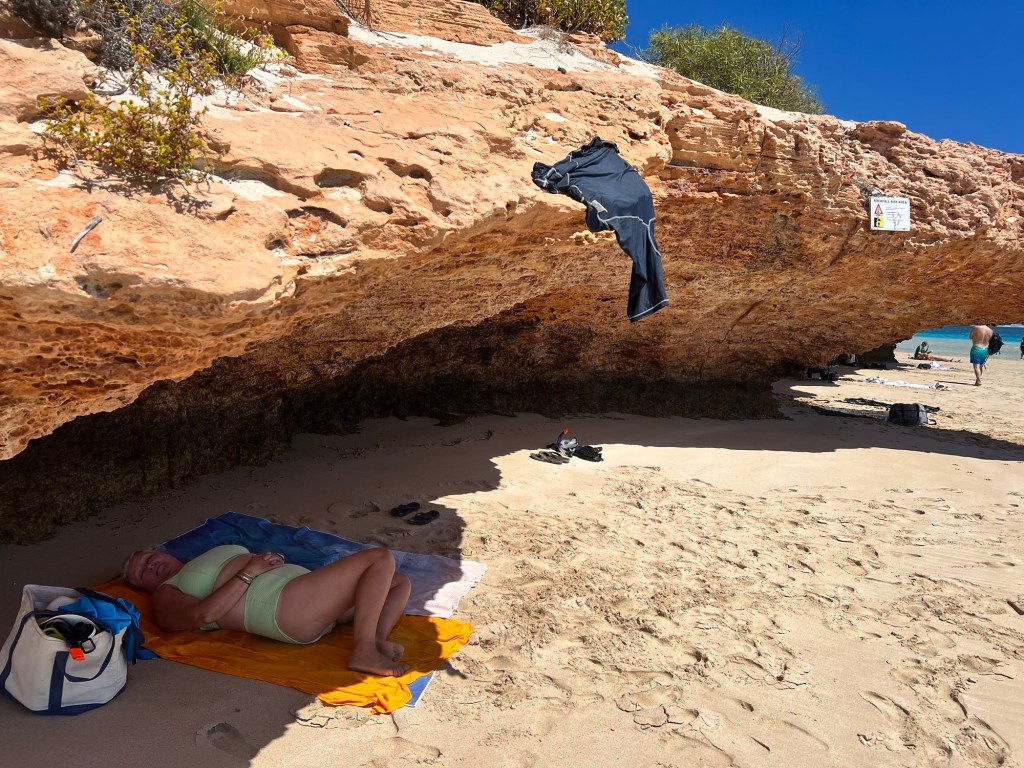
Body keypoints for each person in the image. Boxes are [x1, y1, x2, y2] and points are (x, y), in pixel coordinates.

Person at [123, 546, 411, 676]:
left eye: (150, 557)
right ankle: (363, 649)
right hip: (283, 607)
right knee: (379, 558)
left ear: (162, 552)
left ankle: (376, 640)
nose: (151, 565)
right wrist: (249, 571)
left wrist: (269, 561)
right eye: (143, 572)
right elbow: (203, 615)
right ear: (145, 588)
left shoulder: (200, 557)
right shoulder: (165, 593)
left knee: (398, 582)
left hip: (308, 597)